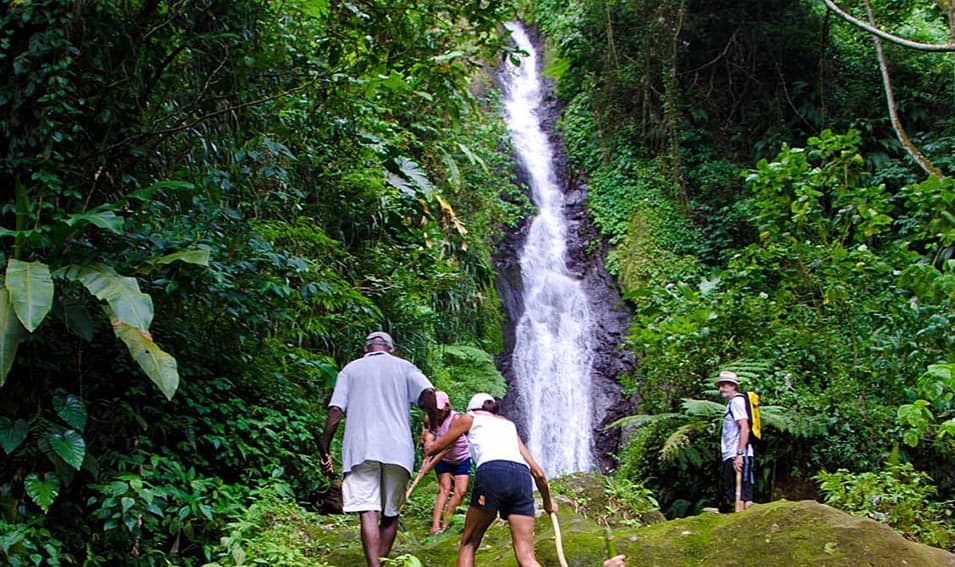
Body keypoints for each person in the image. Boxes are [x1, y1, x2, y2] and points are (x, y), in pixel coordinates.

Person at [319, 331, 439, 567]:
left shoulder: (350, 370)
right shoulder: (405, 367)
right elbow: (429, 394)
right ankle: (380, 565)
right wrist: (433, 427)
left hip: (360, 448)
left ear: (366, 350)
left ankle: (374, 565)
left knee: (368, 511)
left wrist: (325, 447)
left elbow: (335, 411)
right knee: (391, 513)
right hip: (398, 449)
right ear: (391, 349)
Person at [425, 392, 556, 567]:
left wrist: (428, 436)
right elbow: (538, 473)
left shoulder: (469, 417)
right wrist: (547, 503)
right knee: (527, 556)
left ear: (472, 408)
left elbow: (434, 449)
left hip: (492, 472)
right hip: (522, 477)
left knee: (468, 543)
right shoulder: (508, 425)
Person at [420, 391, 471, 535]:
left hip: (461, 457)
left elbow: (446, 446)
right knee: (444, 489)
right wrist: (426, 459)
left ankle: (446, 523)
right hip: (444, 460)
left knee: (461, 492)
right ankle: (435, 526)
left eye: (440, 410)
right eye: (434, 410)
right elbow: (429, 442)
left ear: (447, 407)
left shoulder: (456, 420)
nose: (437, 413)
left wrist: (429, 467)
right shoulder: (430, 419)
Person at [716, 370, 754, 511]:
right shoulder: (732, 403)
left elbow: (744, 427)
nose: (721, 389)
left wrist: (739, 454)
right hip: (731, 453)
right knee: (735, 492)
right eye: (720, 386)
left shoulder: (737, 401)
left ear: (733, 386)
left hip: (738, 454)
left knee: (743, 494)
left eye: (724, 385)